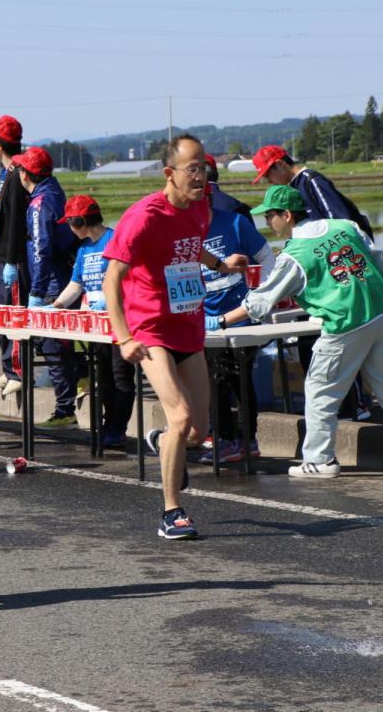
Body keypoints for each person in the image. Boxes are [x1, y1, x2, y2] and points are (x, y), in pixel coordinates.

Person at [103, 133, 248, 539]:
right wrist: (123, 336)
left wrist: (220, 265)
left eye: (205, 168)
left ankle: (165, 441)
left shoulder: (201, 206)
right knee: (181, 415)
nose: (201, 176)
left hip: (188, 323)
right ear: (170, 173)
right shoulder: (144, 216)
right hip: (149, 329)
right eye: (193, 169)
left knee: (198, 432)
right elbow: (113, 275)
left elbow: (192, 245)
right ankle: (172, 512)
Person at [235, 184, 383, 478]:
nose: (267, 223)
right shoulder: (344, 226)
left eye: (270, 216)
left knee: (321, 392)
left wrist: (221, 321)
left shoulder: (294, 255)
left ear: (287, 215)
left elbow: (260, 303)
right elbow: (381, 264)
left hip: (346, 324)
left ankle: (321, 460)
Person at [253, 144, 375, 421]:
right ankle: (348, 406)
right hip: (327, 277)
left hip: (341, 277)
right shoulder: (298, 188)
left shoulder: (311, 182)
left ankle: (356, 405)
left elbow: (342, 225)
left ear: (280, 165)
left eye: (268, 175)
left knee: (342, 342)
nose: (270, 181)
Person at [198, 184, 275, 464]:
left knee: (240, 378)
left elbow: (266, 257)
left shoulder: (234, 222)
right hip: (205, 319)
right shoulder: (184, 231)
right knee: (214, 379)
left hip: (239, 316)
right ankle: (224, 440)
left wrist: (261, 295)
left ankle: (247, 439)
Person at [53, 194, 136, 448]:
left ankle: (117, 427)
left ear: (81, 222)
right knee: (103, 376)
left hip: (120, 320)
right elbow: (77, 284)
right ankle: (106, 424)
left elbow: (131, 279)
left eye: (70, 223)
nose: (69, 229)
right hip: (96, 324)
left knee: (121, 375)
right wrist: (56, 305)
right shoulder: (84, 249)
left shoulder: (115, 240)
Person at [15, 146, 80, 428]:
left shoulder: (39, 203)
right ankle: (79, 378)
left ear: (27, 174)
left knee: (54, 348)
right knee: (62, 344)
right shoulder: (54, 191)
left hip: (52, 282)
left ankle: (65, 409)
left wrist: (37, 292)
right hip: (62, 276)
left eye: (20, 169)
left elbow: (41, 248)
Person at [0, 114, 29, 397]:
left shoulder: (16, 173)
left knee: (14, 313)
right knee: (2, 314)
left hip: (10, 257)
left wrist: (13, 260)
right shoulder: (6, 174)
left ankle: (18, 370)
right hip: (1, 253)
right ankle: (7, 367)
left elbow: (18, 223)